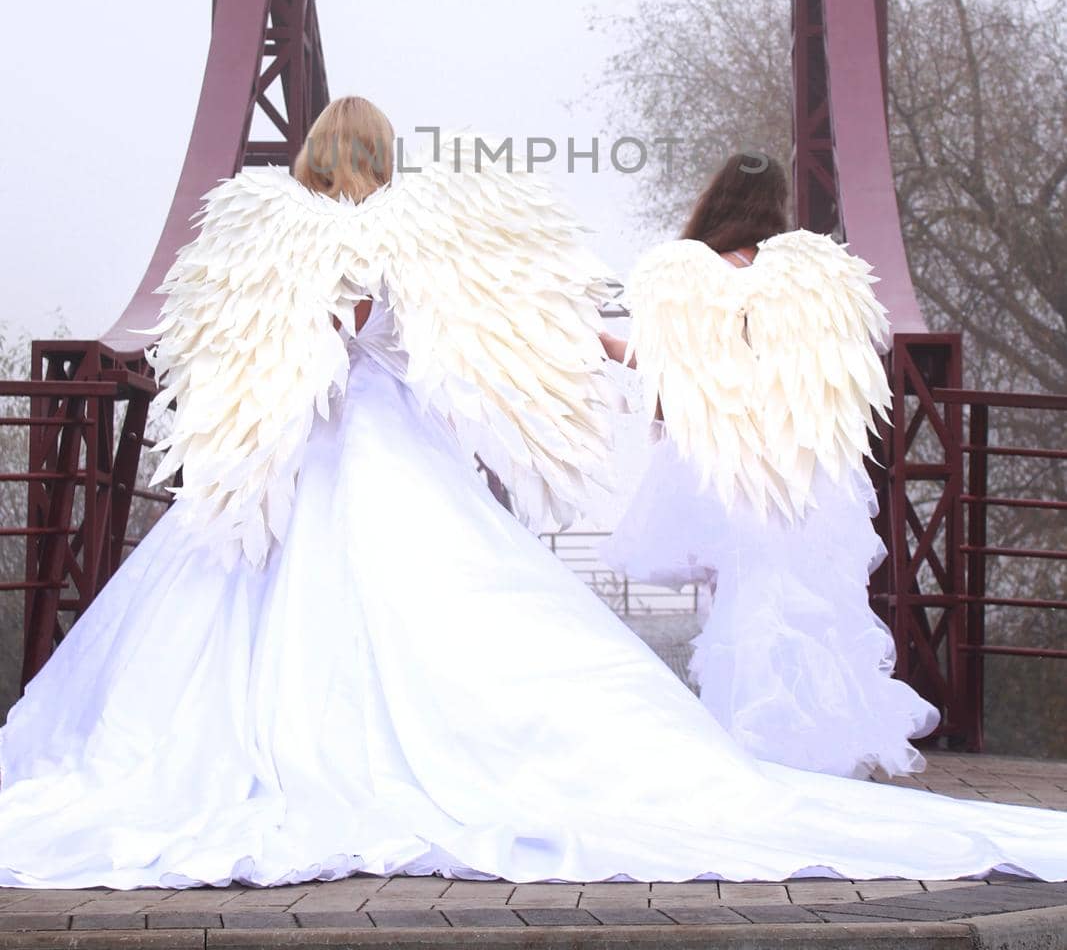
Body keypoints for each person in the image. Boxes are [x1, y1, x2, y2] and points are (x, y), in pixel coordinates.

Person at [0, 106, 1063, 888]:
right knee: (458, 620)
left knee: (228, 618)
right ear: (383, 165)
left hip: (282, 461)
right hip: (392, 459)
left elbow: (248, 345)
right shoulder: (418, 243)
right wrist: (621, 348)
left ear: (311, 162)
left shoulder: (270, 246)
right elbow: (511, 326)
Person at [602, 152, 941, 778]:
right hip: (803, 460)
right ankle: (827, 744)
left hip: (736, 460)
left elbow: (675, 373)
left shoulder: (696, 274)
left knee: (746, 594)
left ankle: (749, 738)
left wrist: (600, 343)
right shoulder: (808, 282)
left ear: (716, 199)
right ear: (777, 206)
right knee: (813, 598)